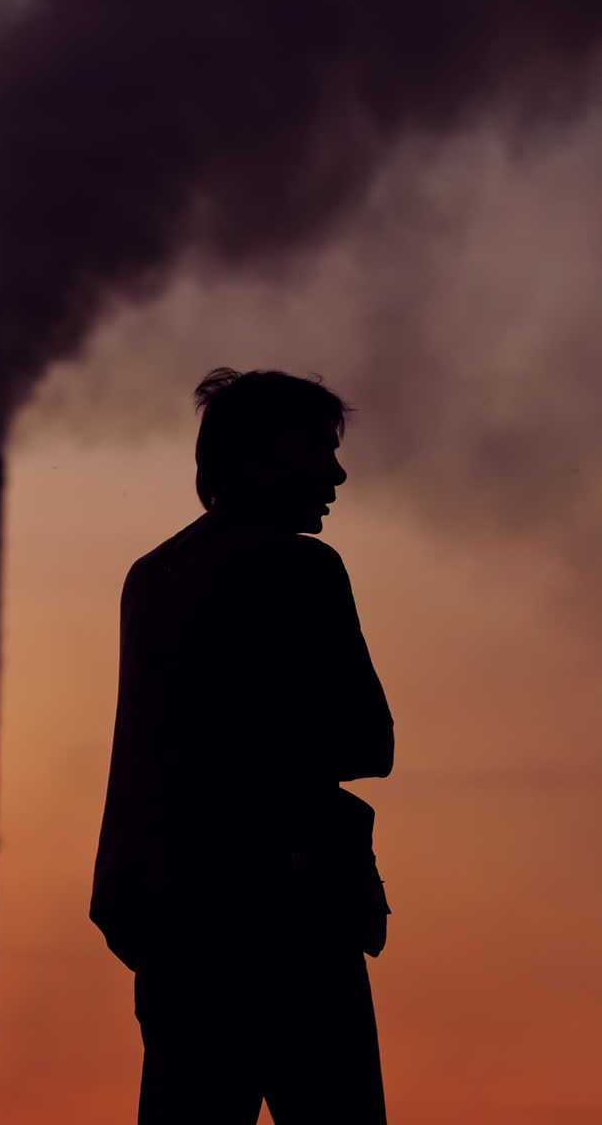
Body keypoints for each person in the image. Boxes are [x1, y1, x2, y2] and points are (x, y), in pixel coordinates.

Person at [90, 367, 395, 1124]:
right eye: (317, 449)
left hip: (171, 921)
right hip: (288, 914)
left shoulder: (152, 576)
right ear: (253, 455)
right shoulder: (301, 567)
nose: (337, 472)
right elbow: (365, 739)